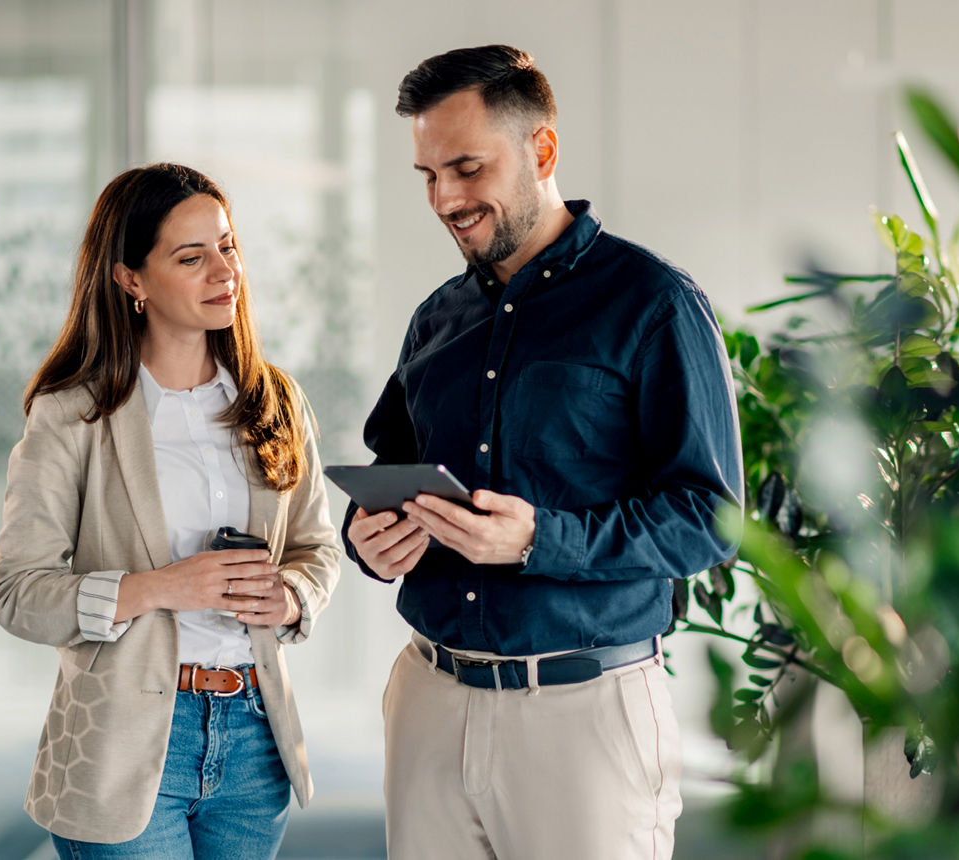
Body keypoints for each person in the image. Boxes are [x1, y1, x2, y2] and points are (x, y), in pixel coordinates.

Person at [342, 45, 743, 860]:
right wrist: (368, 537)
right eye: (427, 174)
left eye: (466, 167)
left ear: (543, 151)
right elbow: (391, 468)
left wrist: (535, 539)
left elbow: (711, 518)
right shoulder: (438, 318)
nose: (445, 198)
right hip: (431, 701)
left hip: (582, 713)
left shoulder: (654, 305)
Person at [0, 163, 341, 859]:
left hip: (252, 739)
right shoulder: (74, 414)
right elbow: (18, 594)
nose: (224, 271)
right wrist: (160, 588)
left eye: (228, 246)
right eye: (192, 256)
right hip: (124, 740)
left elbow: (316, 547)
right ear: (131, 280)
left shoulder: (274, 399)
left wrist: (291, 598)